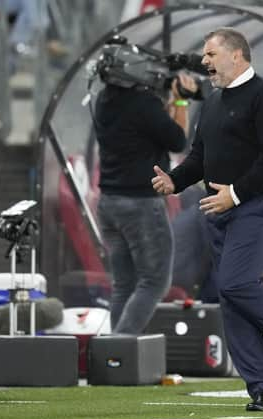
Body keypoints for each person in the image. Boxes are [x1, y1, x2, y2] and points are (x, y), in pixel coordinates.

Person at [152, 27, 263, 412]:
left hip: (258, 202)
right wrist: (174, 180)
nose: (204, 62)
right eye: (205, 55)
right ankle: (262, 388)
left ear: (237, 55)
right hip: (217, 207)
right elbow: (199, 158)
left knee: (236, 282)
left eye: (211, 54)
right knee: (230, 295)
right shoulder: (211, 102)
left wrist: (234, 194)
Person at [94, 72, 197, 334]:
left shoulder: (104, 99)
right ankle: (120, 346)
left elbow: (155, 132)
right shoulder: (143, 103)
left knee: (124, 284)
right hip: (140, 204)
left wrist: (168, 100)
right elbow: (177, 141)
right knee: (155, 282)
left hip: (109, 203)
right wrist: (182, 102)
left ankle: (113, 362)